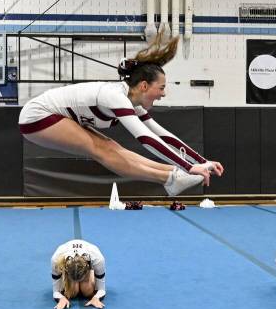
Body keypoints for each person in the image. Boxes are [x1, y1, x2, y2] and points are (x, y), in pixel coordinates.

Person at [18, 29, 223, 197]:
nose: (163, 93)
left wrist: (200, 161)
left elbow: (163, 134)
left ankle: (172, 176)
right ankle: (170, 178)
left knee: (110, 146)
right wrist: (189, 167)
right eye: (161, 88)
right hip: (37, 116)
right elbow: (146, 138)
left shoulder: (130, 102)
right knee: (101, 150)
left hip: (54, 115)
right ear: (144, 86)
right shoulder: (115, 96)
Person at [50, 239, 106, 309]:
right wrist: (61, 298)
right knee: (72, 293)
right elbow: (56, 291)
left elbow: (101, 289)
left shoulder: (98, 259)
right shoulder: (56, 260)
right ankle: (72, 282)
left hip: (88, 265)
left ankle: (90, 275)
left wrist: (96, 298)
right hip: (69, 267)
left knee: (87, 292)